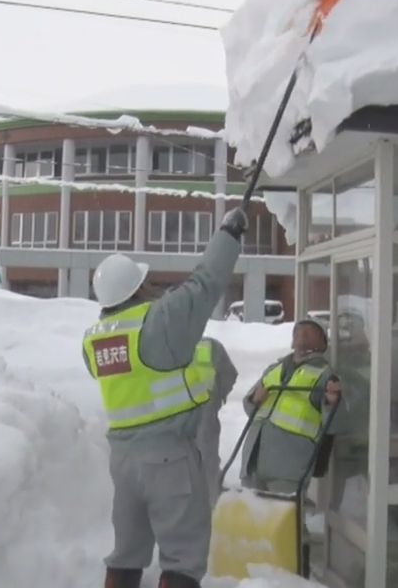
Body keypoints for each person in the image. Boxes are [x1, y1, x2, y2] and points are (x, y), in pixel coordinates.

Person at [83, 207, 247, 588]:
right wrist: (228, 234)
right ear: (138, 288)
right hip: (169, 458)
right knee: (183, 560)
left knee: (126, 555)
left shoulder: (93, 340)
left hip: (123, 463)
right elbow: (205, 284)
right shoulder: (159, 322)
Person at [240, 318, 341, 494]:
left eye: (310, 331)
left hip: (288, 468)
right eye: (298, 331)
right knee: (250, 511)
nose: (302, 334)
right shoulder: (275, 368)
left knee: (283, 512)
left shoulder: (325, 375)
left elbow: (333, 424)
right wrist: (254, 399)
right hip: (253, 461)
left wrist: (331, 403)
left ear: (322, 342)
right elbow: (249, 407)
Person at [193, 335, 238, 511]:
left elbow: (229, 374)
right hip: (197, 414)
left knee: (206, 459)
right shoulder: (210, 346)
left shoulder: (210, 346)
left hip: (201, 415)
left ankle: (211, 505)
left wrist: (216, 399)